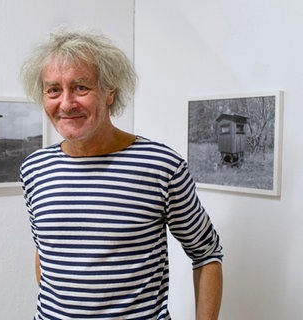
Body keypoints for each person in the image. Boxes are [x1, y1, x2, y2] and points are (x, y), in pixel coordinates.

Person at [19, 29, 223, 320]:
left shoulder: (160, 165)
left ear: (109, 92)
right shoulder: (34, 169)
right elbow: (46, 254)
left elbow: (206, 253)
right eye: (53, 90)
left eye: (80, 87)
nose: (65, 103)